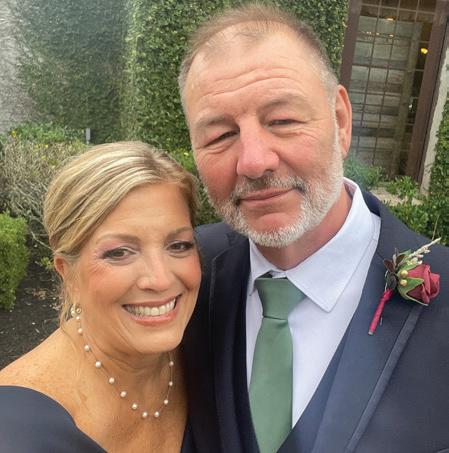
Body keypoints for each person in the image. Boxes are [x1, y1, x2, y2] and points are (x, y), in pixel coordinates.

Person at [179, 3, 449, 453]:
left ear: (340, 120)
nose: (254, 162)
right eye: (220, 135)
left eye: (282, 121)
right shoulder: (184, 275)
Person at [0, 141, 201, 452]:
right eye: (119, 252)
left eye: (179, 245)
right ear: (67, 272)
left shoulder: (209, 343)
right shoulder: (17, 430)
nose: (160, 279)